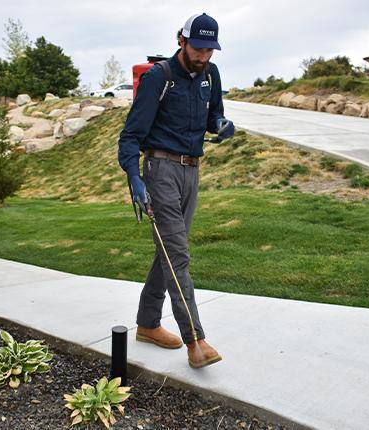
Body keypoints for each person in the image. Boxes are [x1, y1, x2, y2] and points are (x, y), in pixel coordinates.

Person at [117, 12, 235, 368]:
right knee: (178, 254)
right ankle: (195, 341)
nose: (203, 56)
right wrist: (134, 178)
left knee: (168, 249)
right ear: (181, 40)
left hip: (191, 172)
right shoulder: (159, 78)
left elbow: (215, 114)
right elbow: (130, 136)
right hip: (160, 170)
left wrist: (221, 125)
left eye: (209, 50)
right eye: (197, 48)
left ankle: (148, 324)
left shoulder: (210, 74)